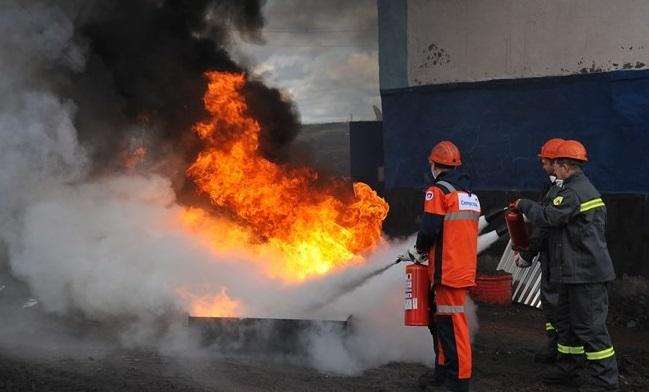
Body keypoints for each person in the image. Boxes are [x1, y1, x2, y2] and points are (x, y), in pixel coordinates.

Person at [514, 140, 619, 392]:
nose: (551, 169)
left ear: (563, 166)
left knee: (591, 328)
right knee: (571, 325)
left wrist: (524, 205)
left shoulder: (573, 192)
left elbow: (550, 217)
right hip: (576, 272)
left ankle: (606, 383)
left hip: (587, 274)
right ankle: (568, 371)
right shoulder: (573, 189)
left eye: (554, 164)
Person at [411, 140, 480, 392]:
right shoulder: (469, 194)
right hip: (461, 267)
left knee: (453, 327)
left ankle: (458, 381)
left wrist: (418, 249)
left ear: (434, 164)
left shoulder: (437, 191)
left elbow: (430, 228)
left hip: (446, 270)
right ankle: (442, 375)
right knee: (442, 324)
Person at [513, 138, 564, 364]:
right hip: (552, 257)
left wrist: (528, 253)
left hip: (559, 259)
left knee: (558, 306)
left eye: (544, 162)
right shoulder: (552, 188)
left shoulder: (564, 192)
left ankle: (564, 355)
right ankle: (555, 347)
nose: (543, 167)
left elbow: (545, 225)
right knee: (551, 306)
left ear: (556, 163)